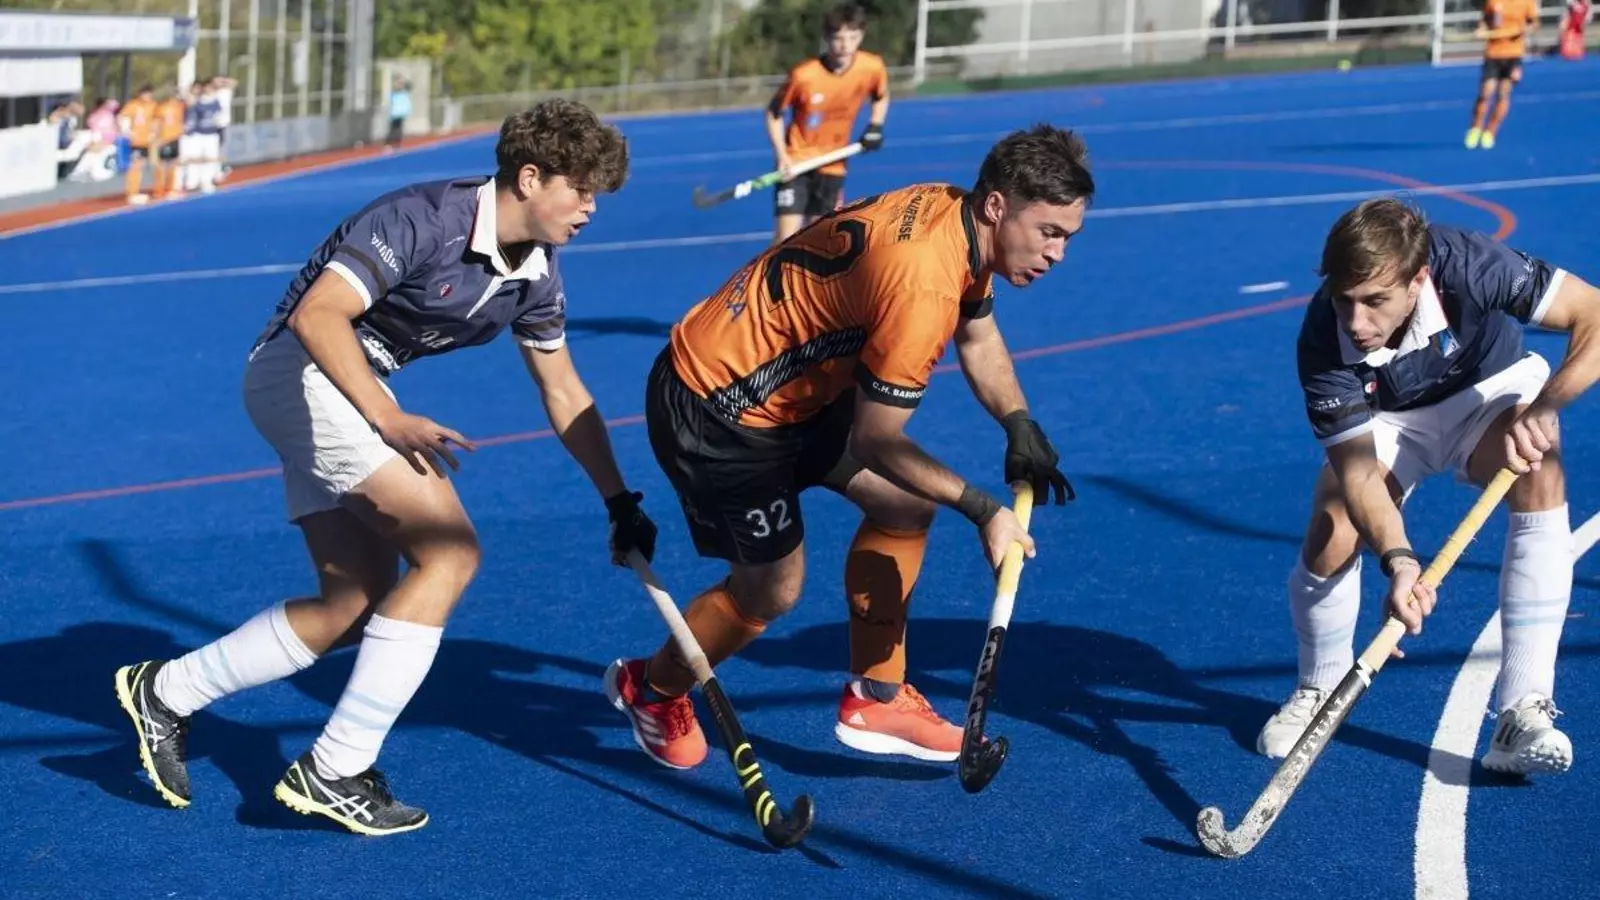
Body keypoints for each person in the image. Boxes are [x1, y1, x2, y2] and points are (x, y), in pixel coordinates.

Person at [114, 99, 659, 835]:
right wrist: (385, 416)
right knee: (450, 554)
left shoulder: (536, 272)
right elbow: (317, 315)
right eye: (582, 190)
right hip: (302, 374)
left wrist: (618, 499)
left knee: (354, 602)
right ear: (530, 178)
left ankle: (166, 692)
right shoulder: (423, 219)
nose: (591, 209)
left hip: (346, 388)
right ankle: (335, 768)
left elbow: (563, 391)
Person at [605, 124, 1088, 770]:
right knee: (772, 590)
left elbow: (977, 333)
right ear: (998, 206)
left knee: (905, 506)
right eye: (1049, 232)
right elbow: (878, 438)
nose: (1058, 253)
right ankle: (652, 689)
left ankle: (876, 699)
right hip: (718, 404)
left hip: (793, 388)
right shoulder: (924, 283)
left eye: (1068, 237)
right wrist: (984, 511)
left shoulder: (956, 214)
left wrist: (1018, 421)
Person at [1260, 197, 1599, 776]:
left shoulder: (1471, 264)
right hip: (1390, 420)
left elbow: (1591, 311)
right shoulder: (1323, 339)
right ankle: (1320, 691)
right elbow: (1359, 474)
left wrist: (1545, 407)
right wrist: (1400, 561)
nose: (1357, 322)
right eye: (1344, 299)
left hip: (1489, 390)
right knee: (1335, 523)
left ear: (1418, 279)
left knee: (1541, 472)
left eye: (1375, 301)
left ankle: (1522, 712)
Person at [765, 1, 889, 244]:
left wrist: (875, 125)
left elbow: (881, 96)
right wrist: (782, 156)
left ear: (861, 36)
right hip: (797, 162)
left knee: (819, 239)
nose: (845, 46)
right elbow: (774, 113)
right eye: (838, 38)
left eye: (852, 37)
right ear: (826, 37)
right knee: (785, 240)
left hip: (833, 164)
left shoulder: (871, 67)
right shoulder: (804, 76)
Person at [1465, 0, 1539, 149]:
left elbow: (1534, 24)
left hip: (1514, 54)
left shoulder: (1527, 2)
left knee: (1503, 94)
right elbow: (1485, 20)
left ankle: (1490, 132)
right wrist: (1481, 30)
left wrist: (1524, 29)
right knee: (1485, 92)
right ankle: (1475, 128)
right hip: (1493, 53)